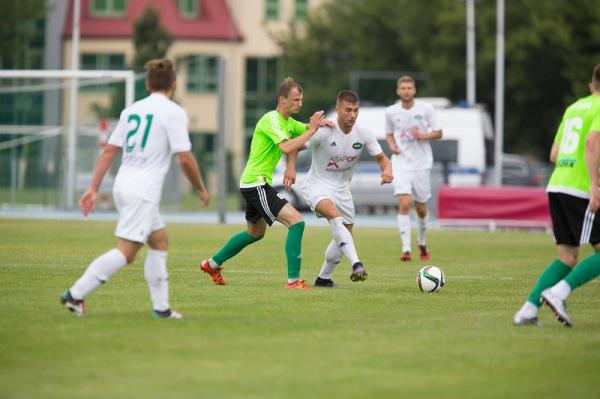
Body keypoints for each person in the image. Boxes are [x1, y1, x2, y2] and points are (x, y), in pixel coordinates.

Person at [60, 58, 209, 319]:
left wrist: (93, 188)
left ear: (148, 84)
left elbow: (109, 151)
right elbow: (184, 157)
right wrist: (200, 188)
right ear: (173, 84)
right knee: (126, 252)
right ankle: (75, 294)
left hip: (124, 185)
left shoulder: (132, 110)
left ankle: (161, 308)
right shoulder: (173, 112)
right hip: (143, 191)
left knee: (160, 241)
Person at [200, 77, 327, 289]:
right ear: (282, 100)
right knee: (297, 222)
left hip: (252, 183)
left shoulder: (287, 122)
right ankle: (293, 281)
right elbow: (288, 147)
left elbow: (303, 130)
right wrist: (312, 131)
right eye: (295, 100)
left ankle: (212, 264)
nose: (300, 104)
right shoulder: (272, 119)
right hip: (256, 184)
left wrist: (321, 125)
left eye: (301, 100)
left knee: (254, 233)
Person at [513, 64, 600, 327]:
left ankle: (527, 310)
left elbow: (554, 154)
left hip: (557, 184)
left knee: (567, 256)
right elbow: (592, 142)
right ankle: (559, 292)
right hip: (580, 187)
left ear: (591, 85)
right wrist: (594, 183)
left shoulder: (574, 108)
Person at [302, 90, 393, 287]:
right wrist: (290, 168)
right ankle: (356, 264)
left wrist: (387, 169)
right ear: (338, 110)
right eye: (348, 110)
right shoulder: (325, 130)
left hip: (342, 189)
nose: (352, 115)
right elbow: (297, 146)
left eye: (356, 110)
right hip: (316, 185)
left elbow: (382, 158)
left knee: (344, 235)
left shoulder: (364, 133)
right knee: (334, 216)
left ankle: (323, 278)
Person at [385, 76, 442, 262]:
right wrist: (392, 145)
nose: (406, 91)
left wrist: (423, 135)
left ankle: (422, 241)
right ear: (398, 91)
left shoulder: (426, 109)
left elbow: (439, 132)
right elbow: (388, 134)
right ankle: (406, 249)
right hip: (401, 163)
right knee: (404, 202)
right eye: (403, 88)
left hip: (421, 164)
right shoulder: (391, 112)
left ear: (414, 90)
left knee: (421, 208)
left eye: (410, 87)